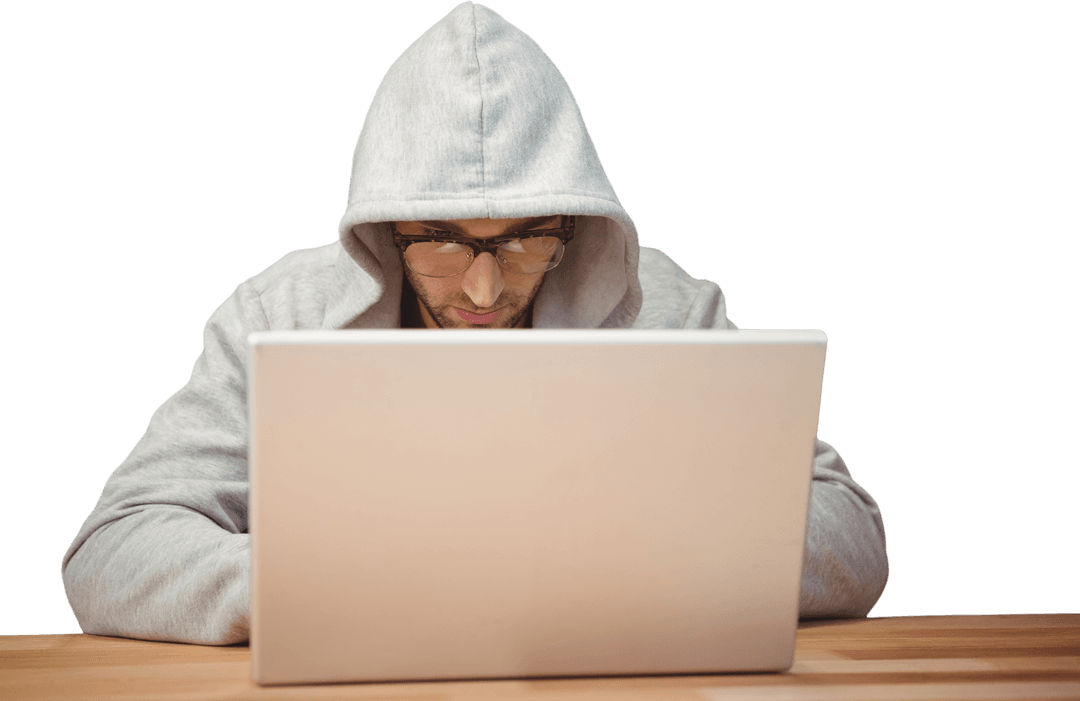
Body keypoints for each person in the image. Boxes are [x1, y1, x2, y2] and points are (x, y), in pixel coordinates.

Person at [61, 2, 889, 645]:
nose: (485, 287)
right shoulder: (273, 316)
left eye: (526, 240)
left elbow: (850, 531)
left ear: (574, 225)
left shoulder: (670, 312)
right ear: (386, 229)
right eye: (442, 241)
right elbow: (112, 551)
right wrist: (326, 583)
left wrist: (615, 565)